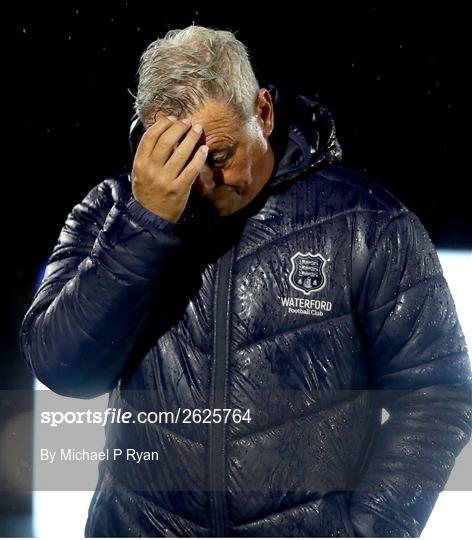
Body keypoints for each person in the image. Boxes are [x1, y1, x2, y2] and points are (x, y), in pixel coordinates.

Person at [20, 25, 471, 537]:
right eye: (180, 160)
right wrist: (144, 225)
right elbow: (64, 370)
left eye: (217, 156)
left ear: (263, 111)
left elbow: (438, 396)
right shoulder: (110, 215)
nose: (204, 183)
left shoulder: (368, 224)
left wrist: (369, 531)